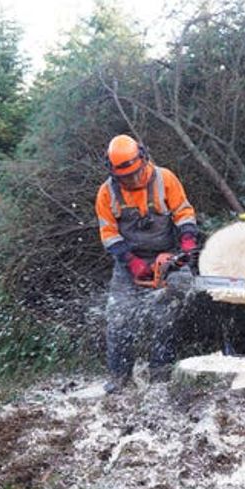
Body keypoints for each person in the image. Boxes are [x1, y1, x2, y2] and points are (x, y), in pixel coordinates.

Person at [95, 134, 200, 393]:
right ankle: (120, 376)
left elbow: (184, 212)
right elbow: (108, 234)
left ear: (143, 160)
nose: (131, 180)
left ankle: (160, 376)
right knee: (119, 317)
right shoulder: (107, 193)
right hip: (128, 260)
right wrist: (131, 261)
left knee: (165, 317)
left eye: (134, 173)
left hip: (168, 255)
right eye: (125, 177)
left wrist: (187, 242)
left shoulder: (165, 179)